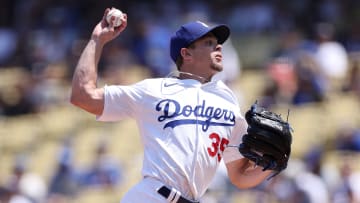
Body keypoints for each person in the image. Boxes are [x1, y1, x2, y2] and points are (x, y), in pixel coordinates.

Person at [71, 8, 273, 203]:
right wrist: (97, 40)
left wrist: (273, 162)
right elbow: (83, 95)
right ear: (186, 54)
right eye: (209, 42)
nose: (218, 47)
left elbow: (239, 176)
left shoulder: (228, 101)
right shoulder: (154, 90)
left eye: (218, 43)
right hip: (152, 197)